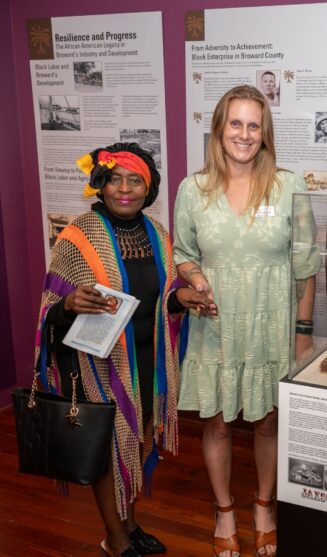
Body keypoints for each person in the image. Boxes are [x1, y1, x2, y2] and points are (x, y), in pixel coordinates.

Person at [35, 143, 212, 557]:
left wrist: (179, 298)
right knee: (107, 449)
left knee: (134, 443)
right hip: (97, 365)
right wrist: (67, 306)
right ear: (101, 183)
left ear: (148, 188)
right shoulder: (78, 235)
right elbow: (49, 310)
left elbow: (158, 299)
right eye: (115, 179)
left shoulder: (157, 234)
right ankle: (114, 539)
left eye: (135, 180)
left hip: (148, 362)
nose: (124, 189)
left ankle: (130, 525)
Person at [173, 85, 320, 557]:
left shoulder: (289, 185)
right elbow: (183, 254)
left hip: (272, 325)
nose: (244, 133)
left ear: (265, 132)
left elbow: (306, 265)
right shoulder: (191, 189)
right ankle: (223, 510)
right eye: (235, 123)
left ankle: (264, 506)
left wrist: (301, 336)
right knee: (216, 425)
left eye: (253, 125)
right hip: (216, 325)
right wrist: (194, 278)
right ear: (219, 129)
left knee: (268, 423)